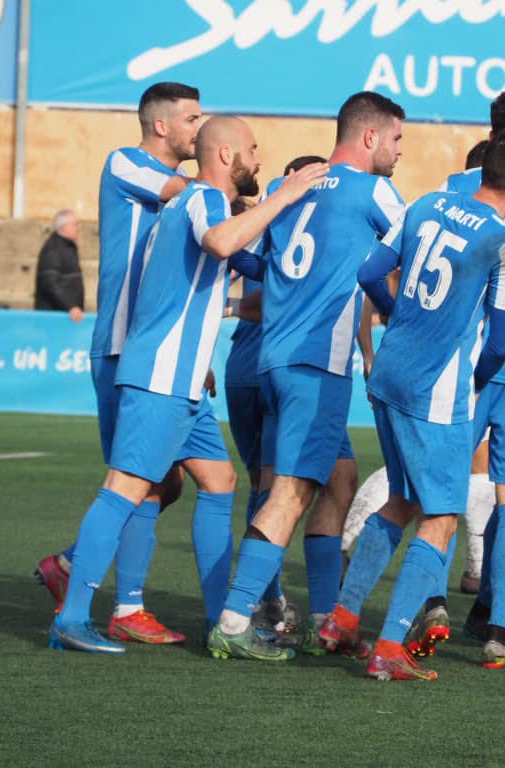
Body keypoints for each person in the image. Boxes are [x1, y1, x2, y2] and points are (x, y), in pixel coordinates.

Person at [47, 116, 329, 654]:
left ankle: (225, 624)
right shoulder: (203, 200)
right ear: (224, 156)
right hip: (160, 377)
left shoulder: (187, 207)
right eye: (251, 149)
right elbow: (223, 242)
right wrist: (287, 195)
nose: (259, 160)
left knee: (220, 481)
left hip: (184, 379)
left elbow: (223, 268)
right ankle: (73, 615)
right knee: (124, 488)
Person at [320, 128, 505, 681]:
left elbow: (370, 272)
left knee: (401, 501)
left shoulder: (427, 203)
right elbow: (502, 340)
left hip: (389, 372)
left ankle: (342, 619)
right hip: (437, 393)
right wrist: (476, 382)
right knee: (441, 517)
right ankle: (389, 648)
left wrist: (402, 318)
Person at [206, 92, 406, 662]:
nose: (397, 152)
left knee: (340, 480)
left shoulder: (286, 190)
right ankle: (236, 616)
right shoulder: (376, 192)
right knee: (288, 495)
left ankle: (325, 619)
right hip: (316, 367)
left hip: (272, 358)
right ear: (369, 137)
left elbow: (255, 260)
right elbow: (420, 252)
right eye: (395, 140)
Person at [34, 82, 203, 645]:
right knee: (135, 482)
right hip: (124, 349)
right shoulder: (126, 164)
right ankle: (107, 608)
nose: (198, 129)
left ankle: (78, 571)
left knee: (171, 481)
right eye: (192, 119)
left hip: (166, 356)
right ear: (161, 126)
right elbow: (189, 190)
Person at [408, 88, 505, 668]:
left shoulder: (453, 190)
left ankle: (428, 605)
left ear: (492, 129)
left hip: (461, 365)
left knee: (437, 495)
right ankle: (498, 631)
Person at [222, 155, 326, 638]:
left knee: (265, 484)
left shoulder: (264, 223)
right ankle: (260, 603)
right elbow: (267, 300)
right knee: (280, 489)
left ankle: (268, 599)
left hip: (244, 368)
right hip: (276, 366)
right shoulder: (306, 232)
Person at [34, 209, 84, 322]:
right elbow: (50, 283)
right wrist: (70, 307)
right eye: (75, 224)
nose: (79, 228)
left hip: (69, 317)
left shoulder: (69, 247)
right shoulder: (53, 250)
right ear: (63, 227)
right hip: (53, 318)